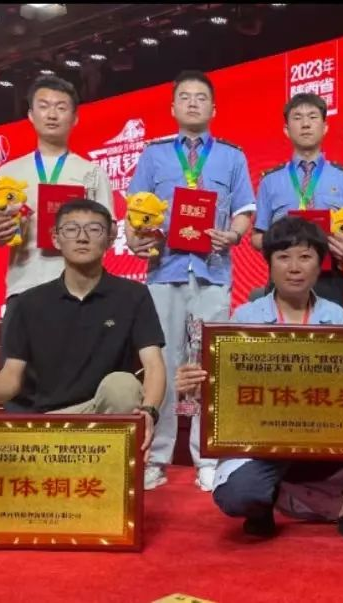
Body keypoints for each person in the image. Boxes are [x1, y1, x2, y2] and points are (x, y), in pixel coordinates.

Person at [174, 217, 343, 548]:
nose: (294, 267)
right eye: (283, 257)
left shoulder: (336, 318)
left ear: (320, 263)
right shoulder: (245, 318)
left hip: (324, 433)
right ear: (269, 263)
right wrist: (197, 384)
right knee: (239, 496)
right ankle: (265, 501)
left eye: (305, 257)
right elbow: (227, 390)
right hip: (263, 440)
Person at [0, 200, 166, 457]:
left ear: (109, 239)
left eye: (94, 229)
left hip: (102, 419)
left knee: (123, 386)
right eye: (71, 229)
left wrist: (149, 411)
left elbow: (154, 365)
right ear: (56, 238)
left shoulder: (133, 296)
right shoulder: (28, 303)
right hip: (46, 421)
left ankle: (109, 467)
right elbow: (11, 377)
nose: (82, 238)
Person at [126, 70, 256, 492]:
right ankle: (156, 456)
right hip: (164, 271)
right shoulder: (154, 156)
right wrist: (138, 237)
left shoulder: (232, 157)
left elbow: (244, 211)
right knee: (162, 363)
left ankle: (208, 457)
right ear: (173, 107)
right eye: (185, 96)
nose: (193, 103)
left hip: (212, 272)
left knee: (208, 365)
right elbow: (135, 212)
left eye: (201, 97)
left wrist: (232, 235)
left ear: (213, 108)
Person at [0, 75, 112, 363]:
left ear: (75, 118)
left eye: (61, 107)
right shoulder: (8, 172)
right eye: (44, 106)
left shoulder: (91, 172)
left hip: (79, 290)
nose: (52, 114)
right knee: (18, 376)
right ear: (31, 114)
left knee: (76, 374)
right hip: (23, 287)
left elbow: (109, 231)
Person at [252, 92, 343, 308]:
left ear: (325, 127)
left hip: (330, 278)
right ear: (286, 130)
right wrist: (282, 240)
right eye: (298, 118)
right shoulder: (270, 180)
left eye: (313, 117)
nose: (305, 124)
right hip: (283, 279)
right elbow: (256, 237)